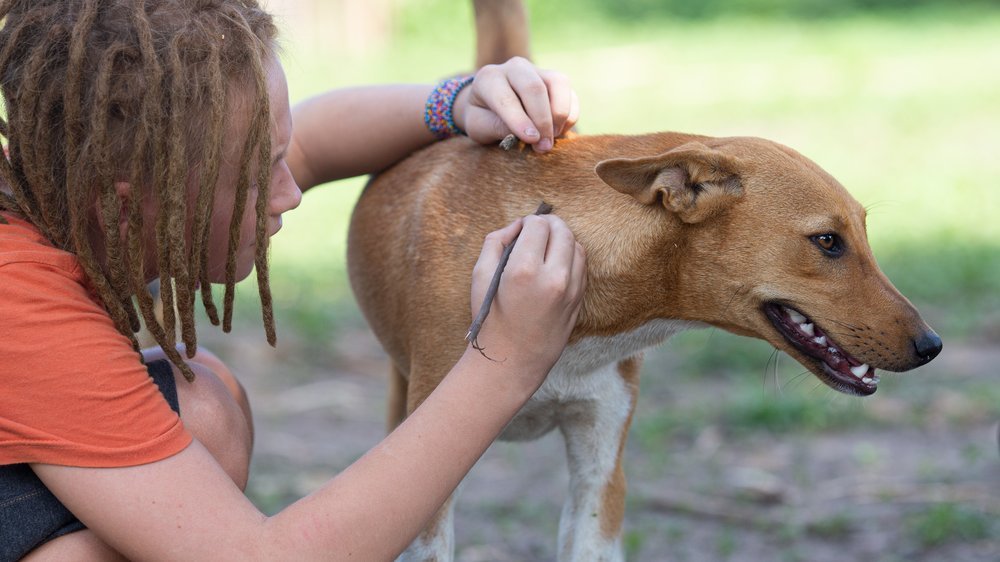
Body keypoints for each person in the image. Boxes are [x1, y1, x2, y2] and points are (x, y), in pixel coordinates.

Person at [0, 1, 584, 560]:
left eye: (278, 159)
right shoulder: (19, 304)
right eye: (260, 173)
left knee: (204, 410)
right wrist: (503, 362)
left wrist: (456, 102)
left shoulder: (77, 190)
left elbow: (307, 139)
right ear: (126, 211)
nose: (292, 192)